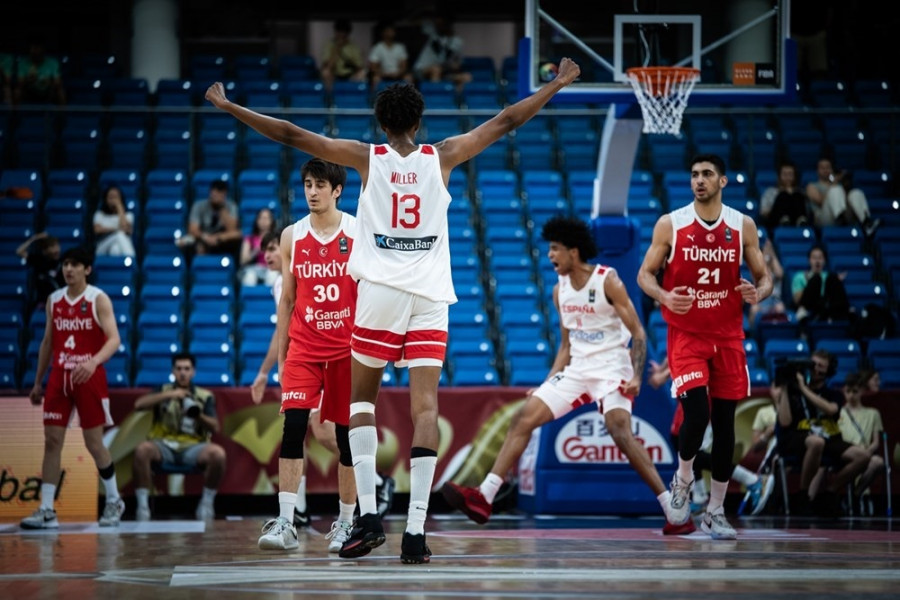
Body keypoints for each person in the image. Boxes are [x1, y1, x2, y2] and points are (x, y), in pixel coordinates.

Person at [205, 56, 581, 564]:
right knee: (425, 410)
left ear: (381, 123)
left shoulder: (367, 157)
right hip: (430, 296)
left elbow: (293, 135)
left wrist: (230, 107)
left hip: (380, 293)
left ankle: (366, 518)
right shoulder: (442, 155)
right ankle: (416, 532)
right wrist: (556, 84)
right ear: (418, 122)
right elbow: (508, 119)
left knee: (360, 406)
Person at [442, 215, 695, 533]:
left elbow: (639, 334)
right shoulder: (559, 291)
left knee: (619, 431)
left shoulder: (608, 281)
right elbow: (564, 345)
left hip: (612, 368)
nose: (550, 256)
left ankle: (673, 510)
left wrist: (635, 376)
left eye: (555, 249)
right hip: (578, 368)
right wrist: (547, 384)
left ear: (574, 252)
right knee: (524, 418)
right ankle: (485, 495)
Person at [637, 153, 773, 540]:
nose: (699, 180)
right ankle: (682, 482)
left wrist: (756, 293)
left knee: (726, 426)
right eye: (695, 174)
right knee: (695, 414)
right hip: (687, 335)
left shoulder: (742, 225)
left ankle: (715, 511)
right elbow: (644, 274)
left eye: (707, 174)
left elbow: (765, 280)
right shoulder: (671, 224)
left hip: (728, 335)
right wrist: (664, 296)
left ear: (722, 181)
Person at [256, 158, 360, 553]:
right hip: (303, 347)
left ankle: (347, 523)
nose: (312, 192)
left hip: (346, 351)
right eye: (307, 185)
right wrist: (283, 358)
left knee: (346, 438)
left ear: (337, 191)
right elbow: (287, 301)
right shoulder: (291, 236)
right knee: (293, 428)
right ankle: (286, 522)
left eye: (320, 185)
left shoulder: (356, 230)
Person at [21, 246, 124, 529]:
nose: (68, 269)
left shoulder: (97, 299)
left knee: (94, 444)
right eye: (66, 264)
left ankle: (114, 500)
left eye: (75, 264)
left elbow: (114, 339)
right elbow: (47, 343)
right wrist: (37, 381)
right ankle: (46, 509)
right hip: (59, 376)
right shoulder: (54, 300)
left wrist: (93, 362)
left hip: (88, 377)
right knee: (52, 441)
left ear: (87, 270)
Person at [654, 359, 775, 518]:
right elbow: (674, 353)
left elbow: (687, 362)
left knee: (695, 456)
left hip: (701, 406)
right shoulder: (681, 347)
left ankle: (752, 480)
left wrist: (664, 373)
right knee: (683, 448)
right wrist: (664, 368)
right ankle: (700, 498)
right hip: (684, 408)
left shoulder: (699, 352)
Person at [772, 350, 869, 516]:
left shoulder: (833, 394)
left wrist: (803, 388)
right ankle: (803, 495)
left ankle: (829, 492)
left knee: (863, 456)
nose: (815, 368)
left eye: (821, 366)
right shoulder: (793, 391)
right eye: (813, 364)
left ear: (828, 370)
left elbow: (831, 410)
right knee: (816, 442)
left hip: (828, 436)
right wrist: (786, 389)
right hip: (796, 437)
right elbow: (785, 422)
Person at [132, 352, 227, 521]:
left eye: (187, 369)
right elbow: (138, 405)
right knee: (142, 450)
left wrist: (198, 415)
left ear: (193, 372)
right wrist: (169, 395)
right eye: (179, 369)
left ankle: (206, 502)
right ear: (173, 371)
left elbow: (215, 427)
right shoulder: (162, 390)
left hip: (193, 447)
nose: (183, 372)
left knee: (218, 454)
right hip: (163, 445)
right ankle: (143, 506)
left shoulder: (204, 396)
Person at [837, 371, 885, 514]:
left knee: (878, 462)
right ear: (843, 391)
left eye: (855, 391)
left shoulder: (873, 413)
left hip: (866, 453)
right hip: (845, 454)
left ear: (862, 391)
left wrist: (866, 452)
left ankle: (855, 495)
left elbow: (876, 442)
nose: (851, 395)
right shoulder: (838, 412)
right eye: (848, 391)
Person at [790, 244, 850, 324]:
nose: (817, 261)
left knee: (833, 278)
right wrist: (809, 283)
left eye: (820, 258)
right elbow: (797, 300)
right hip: (807, 308)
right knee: (816, 279)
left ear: (825, 260)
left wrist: (837, 281)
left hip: (826, 307)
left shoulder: (830, 277)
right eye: (814, 258)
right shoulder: (799, 276)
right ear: (809, 260)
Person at [181, 179, 242, 258]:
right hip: (202, 237)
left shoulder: (231, 206)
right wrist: (205, 237)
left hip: (221, 239)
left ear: (225, 194)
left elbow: (232, 230)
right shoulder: (199, 206)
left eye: (220, 193)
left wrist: (221, 208)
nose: (215, 196)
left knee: (237, 237)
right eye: (214, 193)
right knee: (185, 242)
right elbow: (192, 229)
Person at [412, 14, 472, 89]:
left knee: (466, 77)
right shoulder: (432, 34)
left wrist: (454, 66)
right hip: (422, 70)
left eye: (442, 24)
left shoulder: (457, 41)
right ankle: (434, 98)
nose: (439, 26)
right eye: (438, 24)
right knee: (436, 70)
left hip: (444, 71)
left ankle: (455, 100)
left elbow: (458, 63)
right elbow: (416, 21)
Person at [758, 160, 810, 235]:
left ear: (795, 176)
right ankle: (784, 220)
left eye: (790, 174)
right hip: (776, 223)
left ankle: (800, 223)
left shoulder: (800, 193)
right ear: (779, 176)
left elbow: (808, 211)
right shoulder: (770, 192)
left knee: (796, 195)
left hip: (797, 222)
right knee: (783, 195)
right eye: (785, 174)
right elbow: (763, 212)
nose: (787, 178)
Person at [13, 34, 65, 105]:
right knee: (17, 91)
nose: (34, 51)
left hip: (47, 92)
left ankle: (61, 114)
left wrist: (48, 82)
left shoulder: (53, 63)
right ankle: (14, 114)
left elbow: (57, 82)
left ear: (42, 49)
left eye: (37, 48)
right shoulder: (23, 63)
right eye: (32, 48)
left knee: (60, 90)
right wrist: (29, 80)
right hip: (30, 91)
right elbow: (20, 82)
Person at [16, 231, 63, 308]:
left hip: (60, 302)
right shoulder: (39, 260)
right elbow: (19, 251)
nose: (56, 249)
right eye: (52, 247)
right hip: (43, 304)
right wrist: (34, 238)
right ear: (45, 251)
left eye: (57, 246)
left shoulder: (64, 262)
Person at [748, 238, 787, 328]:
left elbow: (780, 274)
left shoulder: (776, 267)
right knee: (754, 310)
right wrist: (765, 254)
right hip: (761, 300)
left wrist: (772, 254)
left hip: (775, 300)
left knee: (781, 308)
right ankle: (753, 335)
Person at [320, 19, 367, 91]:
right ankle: (329, 97)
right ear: (335, 32)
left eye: (344, 32)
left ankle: (354, 96)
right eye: (339, 32)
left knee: (362, 73)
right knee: (325, 72)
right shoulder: (329, 44)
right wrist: (337, 49)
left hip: (350, 75)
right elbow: (327, 65)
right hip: (335, 74)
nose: (341, 35)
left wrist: (350, 60)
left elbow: (359, 66)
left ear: (347, 33)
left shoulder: (353, 46)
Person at [238, 207, 278, 286]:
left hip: (271, 268)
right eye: (261, 218)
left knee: (273, 275)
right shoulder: (249, 239)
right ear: (257, 220)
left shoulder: (277, 239)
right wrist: (256, 250)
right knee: (249, 277)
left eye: (266, 218)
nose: (264, 221)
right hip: (254, 268)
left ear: (271, 221)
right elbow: (243, 260)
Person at [92, 185, 136, 257]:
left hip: (118, 247)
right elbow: (97, 230)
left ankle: (115, 267)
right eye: (110, 197)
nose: (113, 200)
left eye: (116, 197)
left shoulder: (128, 215)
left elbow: (126, 229)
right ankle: (132, 260)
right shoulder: (99, 214)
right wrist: (117, 229)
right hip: (102, 247)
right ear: (105, 199)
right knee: (119, 234)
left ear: (121, 199)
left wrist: (119, 206)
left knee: (115, 249)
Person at [368, 21, 413, 88]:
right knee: (375, 79)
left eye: (392, 31)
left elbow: (404, 66)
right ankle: (374, 98)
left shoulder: (400, 47)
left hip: (398, 75)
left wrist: (397, 73)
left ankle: (411, 98)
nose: (390, 33)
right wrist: (383, 74)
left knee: (409, 78)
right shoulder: (377, 47)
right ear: (383, 33)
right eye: (388, 31)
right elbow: (373, 67)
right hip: (382, 75)